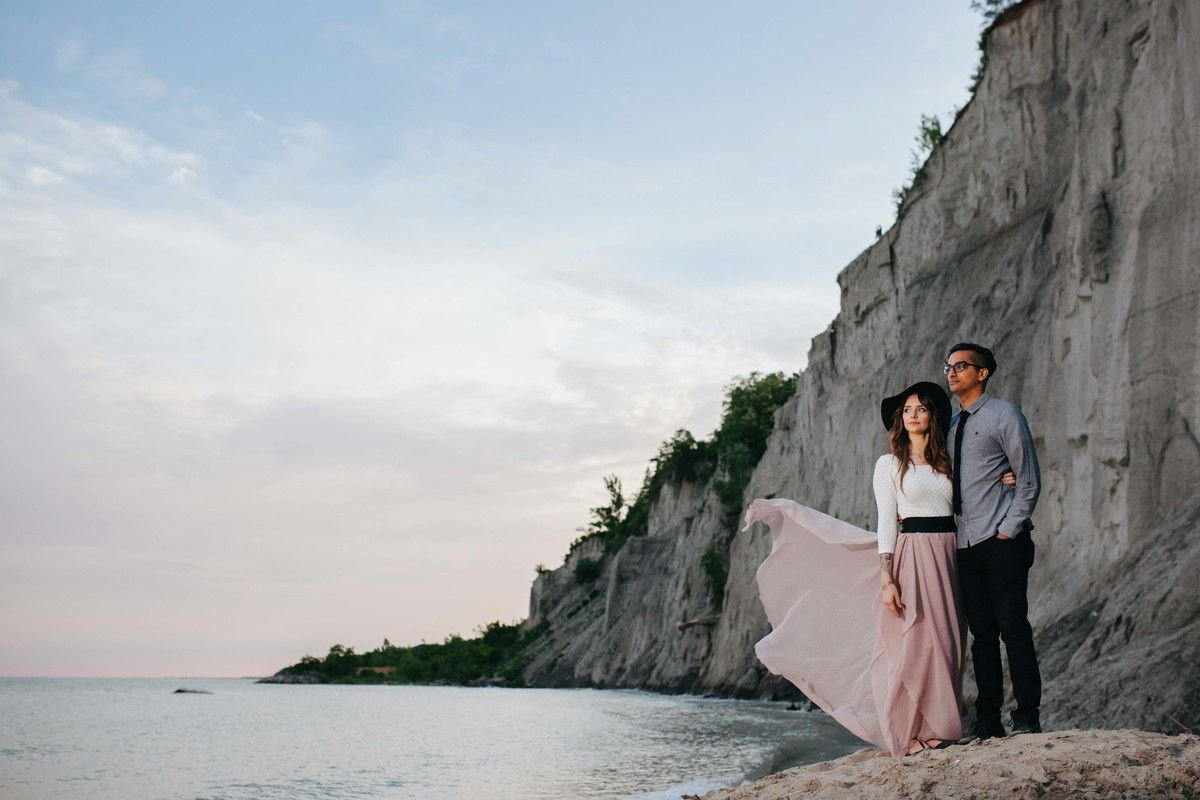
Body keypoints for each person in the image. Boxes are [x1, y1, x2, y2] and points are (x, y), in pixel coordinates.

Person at [745, 381, 1016, 757]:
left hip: (951, 554)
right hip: (913, 553)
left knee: (950, 642)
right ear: (899, 420)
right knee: (918, 643)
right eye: (906, 410)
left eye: (921, 408)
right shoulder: (888, 465)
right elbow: (887, 521)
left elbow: (975, 493)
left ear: (933, 416)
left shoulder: (949, 461)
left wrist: (1005, 478)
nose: (913, 415)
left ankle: (943, 726)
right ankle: (919, 732)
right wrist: (887, 578)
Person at [943, 342, 1043, 740]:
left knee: (1013, 626)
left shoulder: (1006, 416)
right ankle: (988, 721)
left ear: (982, 373)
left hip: (1001, 539)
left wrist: (1008, 529)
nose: (951, 372)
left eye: (961, 366)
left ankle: (1027, 716)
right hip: (965, 545)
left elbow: (1028, 478)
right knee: (981, 635)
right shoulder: (950, 426)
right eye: (948, 366)